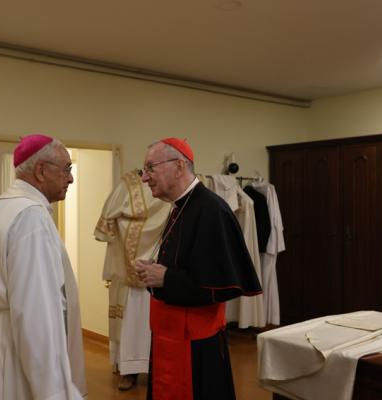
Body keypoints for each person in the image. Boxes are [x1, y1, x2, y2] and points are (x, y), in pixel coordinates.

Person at [0, 134, 87, 400]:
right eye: (66, 169)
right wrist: (54, 391)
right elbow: (35, 311)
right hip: (16, 349)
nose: (71, 178)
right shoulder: (31, 217)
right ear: (41, 170)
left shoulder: (1, 207)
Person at [135, 138, 263, 400]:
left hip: (195, 345)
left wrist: (166, 278)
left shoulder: (211, 210)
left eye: (150, 168)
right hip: (171, 335)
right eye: (144, 170)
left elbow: (221, 285)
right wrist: (155, 272)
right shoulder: (181, 206)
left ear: (179, 166)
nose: (145, 177)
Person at [94, 169, 170, 391]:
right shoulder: (127, 184)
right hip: (126, 272)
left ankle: (156, 368)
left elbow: (106, 225)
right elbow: (110, 220)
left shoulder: (171, 192)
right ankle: (128, 369)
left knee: (154, 322)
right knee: (130, 322)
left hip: (160, 269)